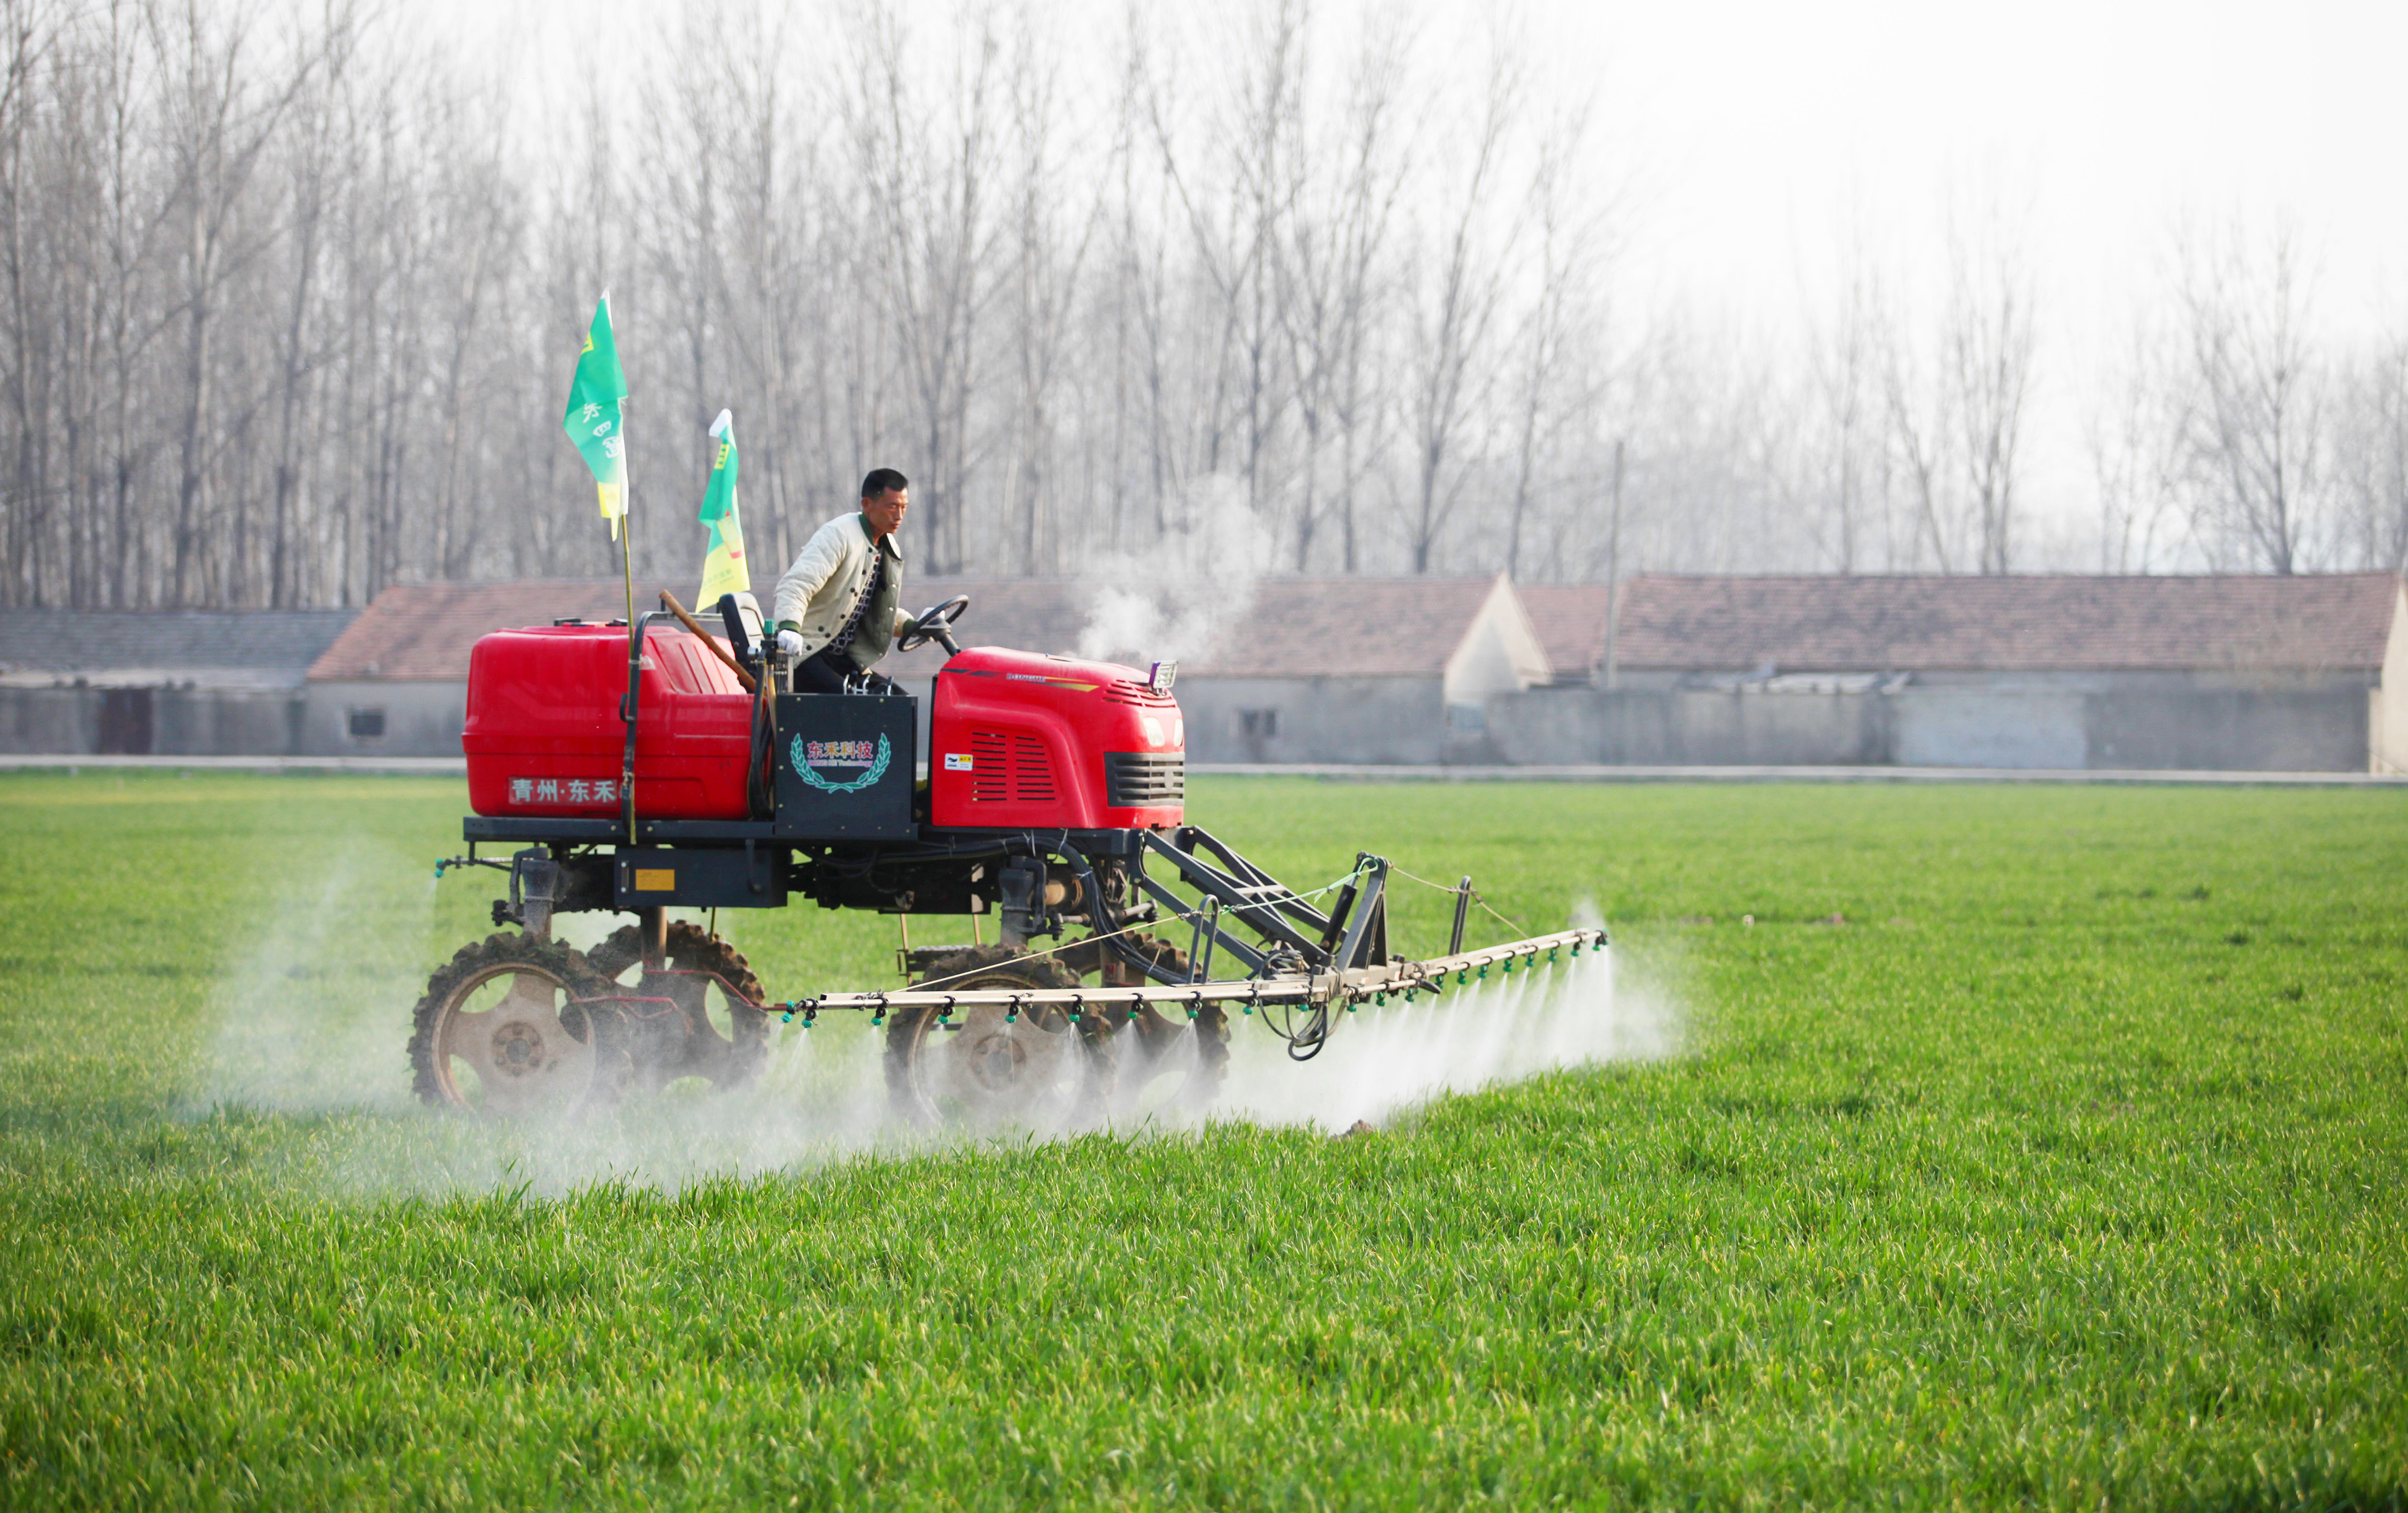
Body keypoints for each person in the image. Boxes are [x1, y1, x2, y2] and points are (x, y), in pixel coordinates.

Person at [772, 468, 915, 695]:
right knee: (852, 703)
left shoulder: (889, 547)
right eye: (892, 507)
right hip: (809, 652)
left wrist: (913, 626)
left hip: (846, 659)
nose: (899, 516)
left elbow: (875, 608)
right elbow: (796, 585)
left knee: (899, 701)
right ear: (867, 504)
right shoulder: (838, 535)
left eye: (904, 507)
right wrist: (789, 627)